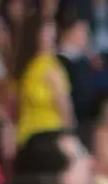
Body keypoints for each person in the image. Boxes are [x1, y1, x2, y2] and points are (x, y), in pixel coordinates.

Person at [16, 8, 74, 144]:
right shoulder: (30, 66)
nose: (50, 36)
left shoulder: (52, 67)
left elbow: (65, 107)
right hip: (26, 133)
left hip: (49, 136)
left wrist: (70, 137)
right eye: (46, 31)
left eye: (51, 31)